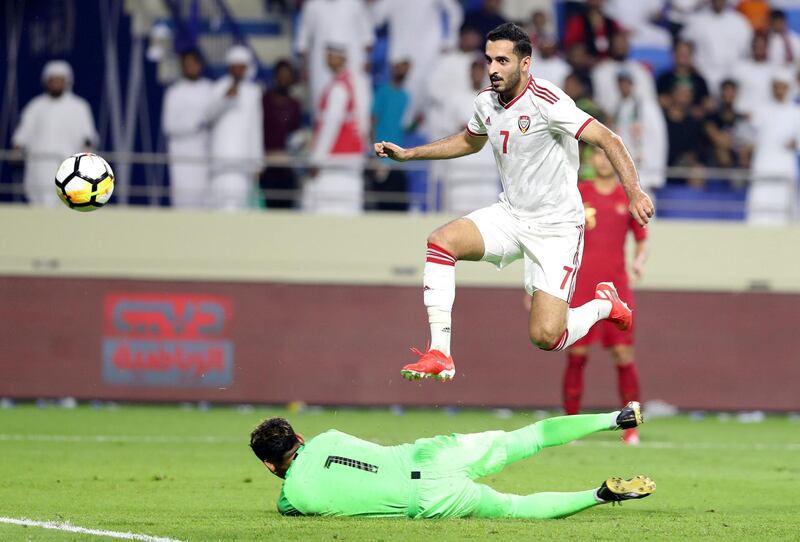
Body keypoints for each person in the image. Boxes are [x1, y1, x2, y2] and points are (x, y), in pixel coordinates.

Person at [374, 23, 654, 381]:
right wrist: (410, 154)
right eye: (489, 59)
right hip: (511, 215)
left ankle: (603, 305)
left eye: (502, 60)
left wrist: (634, 192)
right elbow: (470, 140)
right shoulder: (486, 103)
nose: (493, 68)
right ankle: (440, 352)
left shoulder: (548, 102)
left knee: (546, 337)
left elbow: (608, 138)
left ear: (525, 63)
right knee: (441, 241)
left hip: (557, 229)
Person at [250, 403, 654, 518]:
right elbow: (356, 461)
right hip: (431, 454)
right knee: (528, 437)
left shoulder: (293, 500)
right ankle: (614, 418)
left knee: (514, 508)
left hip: (428, 500)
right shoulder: (329, 437)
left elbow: (292, 498)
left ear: (270, 466)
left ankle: (600, 495)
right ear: (299, 437)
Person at [563, 149, 648, 445]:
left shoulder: (628, 197)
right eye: (597, 155)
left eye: (607, 156)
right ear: (590, 161)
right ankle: (570, 426)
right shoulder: (578, 192)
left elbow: (641, 240)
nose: (602, 161)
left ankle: (631, 428)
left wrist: (639, 262)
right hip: (581, 287)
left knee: (624, 356)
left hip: (617, 290)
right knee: (576, 355)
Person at [12, 61, 97, 207]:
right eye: (53, 80)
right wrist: (17, 149)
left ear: (67, 82)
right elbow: (22, 134)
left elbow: (88, 136)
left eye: (60, 80)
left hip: (69, 166)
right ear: (46, 82)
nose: (56, 84)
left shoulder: (79, 107)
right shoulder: (36, 106)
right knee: (38, 205)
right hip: (38, 165)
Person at [304, 44, 365, 215]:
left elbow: (331, 125)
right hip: (347, 157)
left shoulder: (339, 87)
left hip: (336, 160)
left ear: (342, 58)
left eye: (332, 55)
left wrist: (317, 159)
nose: (328, 59)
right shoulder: (350, 83)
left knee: (329, 208)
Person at [207, 46, 264, 210]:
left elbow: (255, 128)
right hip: (220, 159)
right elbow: (207, 116)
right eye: (235, 66)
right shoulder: (218, 87)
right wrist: (225, 98)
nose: (239, 70)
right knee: (219, 205)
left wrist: (257, 163)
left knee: (240, 206)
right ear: (229, 67)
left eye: (242, 66)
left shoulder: (253, 92)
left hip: (243, 162)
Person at [162, 50, 213, 209]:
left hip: (205, 154)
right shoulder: (174, 92)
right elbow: (168, 126)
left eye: (193, 64)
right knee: (183, 199)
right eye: (186, 65)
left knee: (206, 200)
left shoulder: (210, 89)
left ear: (200, 65)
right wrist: (195, 123)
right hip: (182, 157)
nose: (190, 67)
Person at [747, 71, 800, 225]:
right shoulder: (761, 109)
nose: (779, 91)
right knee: (761, 195)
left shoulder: (795, 112)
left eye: (783, 87)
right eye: (776, 87)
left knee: (784, 198)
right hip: (763, 161)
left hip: (785, 163)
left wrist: (795, 143)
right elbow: (750, 133)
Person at [680, 0, 753, 96]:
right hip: (702, 78)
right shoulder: (697, 21)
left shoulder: (740, 22)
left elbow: (747, 53)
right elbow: (684, 45)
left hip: (732, 79)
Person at [612, 70, 667, 192]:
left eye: (626, 83)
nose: (623, 87)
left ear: (633, 84)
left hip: (644, 168)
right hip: (624, 167)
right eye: (620, 83)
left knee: (646, 206)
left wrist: (656, 174)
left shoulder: (648, 106)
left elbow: (659, 138)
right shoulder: (619, 107)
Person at [369, 58, 412, 212]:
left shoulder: (406, 96)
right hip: (382, 160)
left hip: (398, 160)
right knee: (381, 206)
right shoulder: (383, 91)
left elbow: (405, 127)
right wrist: (373, 154)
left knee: (399, 207)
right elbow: (373, 121)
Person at [261, 60, 303, 209]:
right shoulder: (264, 100)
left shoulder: (295, 104)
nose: (284, 79)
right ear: (275, 77)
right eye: (281, 75)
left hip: (287, 166)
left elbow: (296, 134)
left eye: (287, 76)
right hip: (267, 164)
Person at [655, 40, 711, 118]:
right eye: (680, 53)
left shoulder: (699, 80)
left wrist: (697, 109)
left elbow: (707, 103)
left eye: (686, 53)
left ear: (691, 55)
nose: (682, 56)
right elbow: (658, 100)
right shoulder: (664, 79)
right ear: (674, 55)